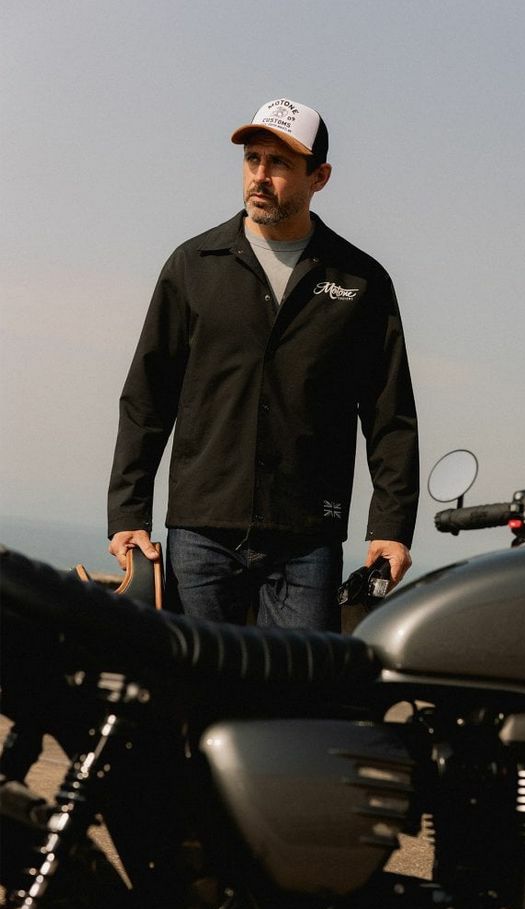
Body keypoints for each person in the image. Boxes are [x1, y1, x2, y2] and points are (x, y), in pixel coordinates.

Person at [107, 97, 419, 630]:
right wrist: (128, 513)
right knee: (198, 679)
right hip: (201, 532)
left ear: (319, 177)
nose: (260, 175)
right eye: (253, 159)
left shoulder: (361, 281)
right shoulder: (192, 266)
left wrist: (390, 526)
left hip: (307, 537)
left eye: (279, 163)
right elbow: (147, 399)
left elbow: (390, 414)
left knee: (297, 680)